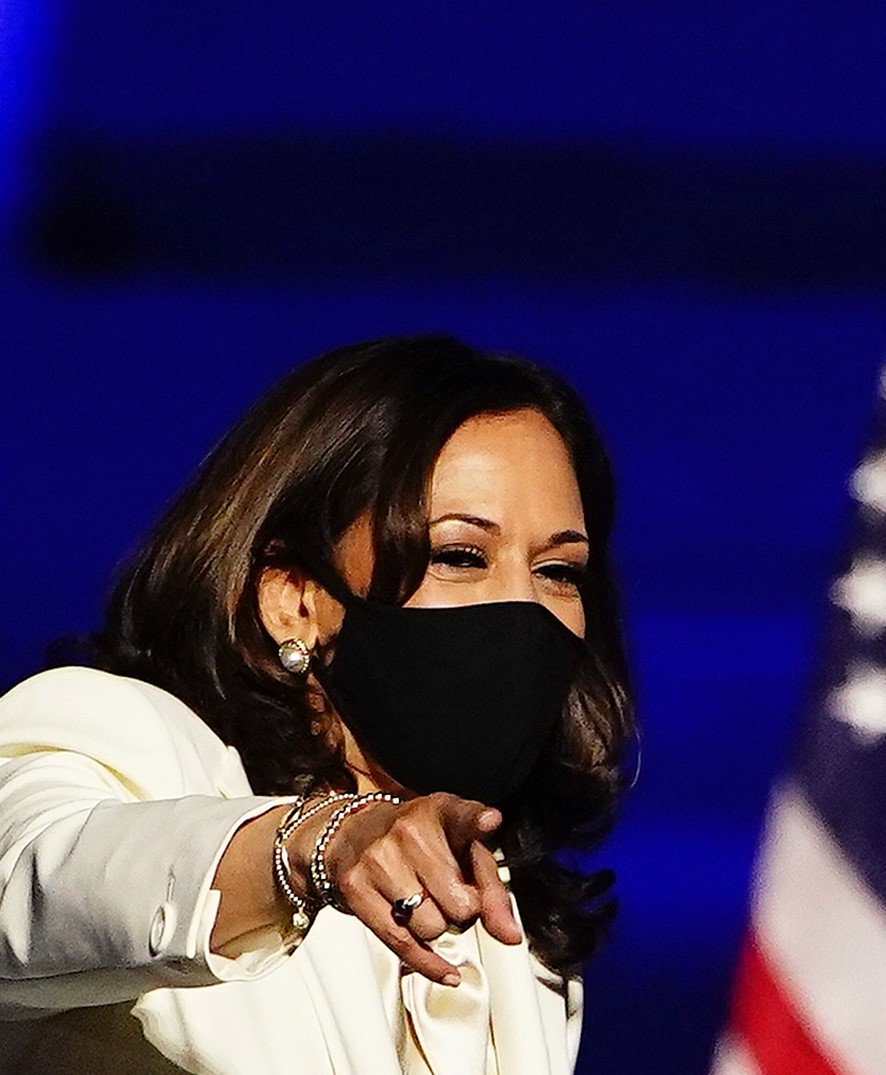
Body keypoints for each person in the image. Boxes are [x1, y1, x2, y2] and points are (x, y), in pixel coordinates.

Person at [0, 335, 634, 1074]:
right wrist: (312, 847)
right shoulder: (116, 733)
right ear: (294, 599)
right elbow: (31, 885)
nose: (525, 607)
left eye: (558, 569)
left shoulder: (513, 932)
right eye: (460, 555)